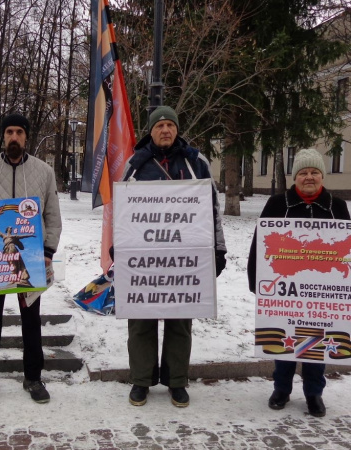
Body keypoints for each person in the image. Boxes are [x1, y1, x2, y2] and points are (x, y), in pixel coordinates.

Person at [120, 106, 227, 408]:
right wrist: (119, 246)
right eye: (159, 125)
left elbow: (212, 208)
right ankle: (141, 380)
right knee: (141, 320)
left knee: (180, 320)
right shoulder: (135, 164)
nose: (165, 130)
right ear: (150, 131)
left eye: (170, 125)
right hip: (145, 257)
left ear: (177, 129)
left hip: (185, 256)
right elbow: (122, 211)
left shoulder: (196, 162)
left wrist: (218, 249)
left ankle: (177, 381)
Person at [0, 113, 62, 404]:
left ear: (26, 137)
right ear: (2, 136)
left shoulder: (44, 172)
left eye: (20, 131)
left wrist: (47, 252)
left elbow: (53, 216)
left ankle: (33, 376)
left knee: (31, 319)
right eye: (9, 131)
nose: (14, 137)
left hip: (28, 262)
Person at [246, 148, 351, 418]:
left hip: (321, 292)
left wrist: (350, 285)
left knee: (316, 342)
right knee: (285, 339)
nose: (309, 177)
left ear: (322, 176)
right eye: (303, 172)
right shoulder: (277, 204)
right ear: (295, 178)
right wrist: (256, 280)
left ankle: (314, 393)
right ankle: (281, 389)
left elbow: (349, 250)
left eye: (314, 172)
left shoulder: (336, 206)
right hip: (285, 290)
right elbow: (260, 243)